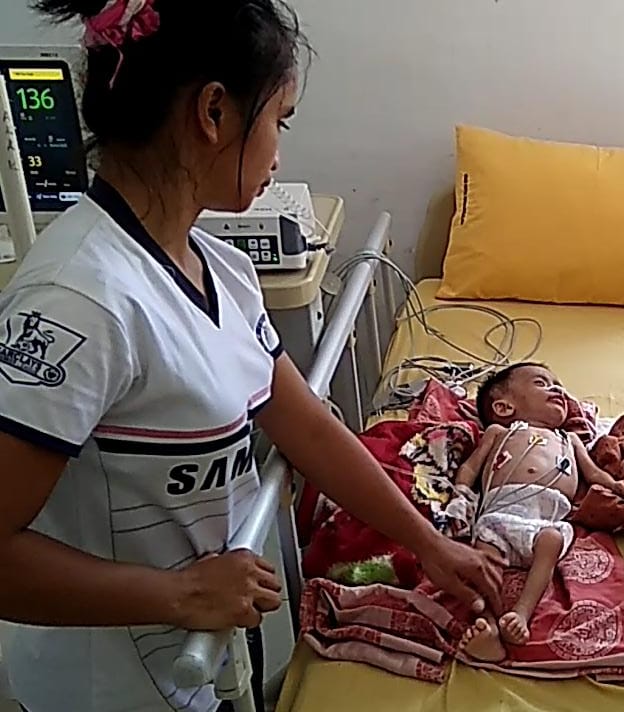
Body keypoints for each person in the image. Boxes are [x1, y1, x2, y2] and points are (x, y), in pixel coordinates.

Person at [0, 2, 501, 711]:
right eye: (279, 121)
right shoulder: (79, 302)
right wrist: (177, 595)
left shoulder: (222, 271)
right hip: (110, 688)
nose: (278, 154)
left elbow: (310, 430)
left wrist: (429, 543)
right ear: (213, 113)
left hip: (215, 659)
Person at [450, 363, 624, 662]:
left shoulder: (569, 439)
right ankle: (487, 626)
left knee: (552, 541)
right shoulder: (500, 432)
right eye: (542, 383)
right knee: (482, 560)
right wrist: (461, 494)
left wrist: (620, 486)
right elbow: (470, 467)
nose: (557, 389)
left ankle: (521, 614)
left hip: (545, 519)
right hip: (500, 514)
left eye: (559, 385)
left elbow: (594, 475)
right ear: (504, 407)